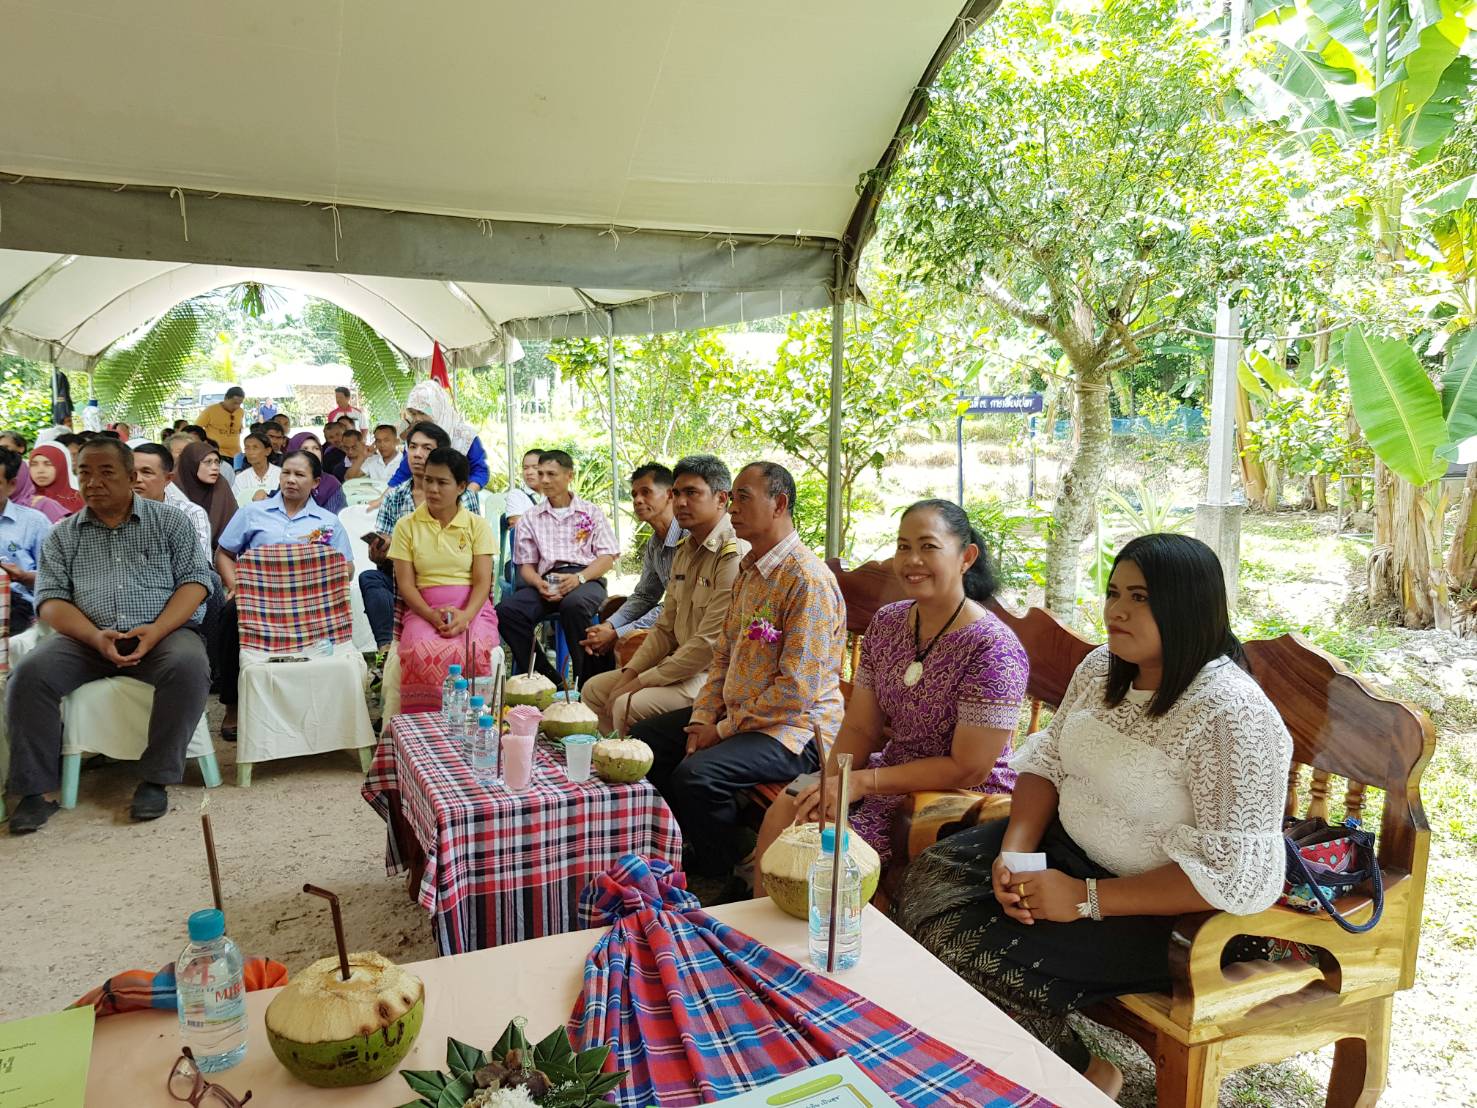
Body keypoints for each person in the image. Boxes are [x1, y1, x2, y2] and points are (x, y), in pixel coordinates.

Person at [896, 534, 1294, 1097]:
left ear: (1188, 605)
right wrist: (1019, 851)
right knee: (922, 887)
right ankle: (1000, 1059)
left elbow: (1234, 875)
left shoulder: (1232, 716)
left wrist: (1083, 899)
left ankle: (1082, 1074)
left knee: (966, 951)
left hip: (1165, 909)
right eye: (1113, 592)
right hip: (1066, 852)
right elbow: (1050, 760)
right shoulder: (1104, 667)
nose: (1116, 611)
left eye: (1139, 597)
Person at [754, 499, 1029, 883]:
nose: (912, 559)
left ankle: (821, 938)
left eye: (928, 546)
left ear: (966, 557)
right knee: (789, 811)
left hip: (958, 800)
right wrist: (831, 785)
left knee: (828, 858)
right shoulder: (888, 622)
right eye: (903, 546)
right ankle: (755, 939)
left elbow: (970, 766)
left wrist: (860, 782)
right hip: (889, 777)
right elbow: (861, 728)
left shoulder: (993, 648)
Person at [630, 462, 845, 881]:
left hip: (796, 732)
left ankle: (726, 869)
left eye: (743, 498)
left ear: (779, 504)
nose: (733, 510)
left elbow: (796, 692)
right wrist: (702, 718)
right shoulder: (751, 571)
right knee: (646, 743)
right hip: (741, 718)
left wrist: (721, 730)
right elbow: (723, 657)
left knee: (697, 776)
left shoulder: (807, 581)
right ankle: (696, 841)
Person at [5, 439, 214, 833]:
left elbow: (196, 583)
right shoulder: (62, 534)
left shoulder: (170, 522)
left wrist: (157, 630)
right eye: (85, 472)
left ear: (131, 477)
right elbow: (49, 601)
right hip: (87, 639)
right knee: (29, 675)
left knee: (189, 665)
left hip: (161, 632)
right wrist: (95, 636)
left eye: (106, 472)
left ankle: (156, 777)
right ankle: (35, 790)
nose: (93, 482)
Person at [582, 455, 744, 736]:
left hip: (714, 674)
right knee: (594, 689)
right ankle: (610, 765)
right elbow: (664, 627)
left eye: (691, 493)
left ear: (721, 499)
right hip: (681, 664)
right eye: (677, 493)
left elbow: (707, 645)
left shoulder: (732, 552)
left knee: (626, 702)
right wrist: (631, 673)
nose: (680, 502)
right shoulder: (685, 548)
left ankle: (633, 770)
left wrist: (639, 682)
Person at [213, 449, 355, 740]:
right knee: (229, 615)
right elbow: (224, 553)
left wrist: (328, 576)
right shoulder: (253, 512)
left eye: (300, 475)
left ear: (316, 482)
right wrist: (236, 586)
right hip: (258, 600)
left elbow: (347, 567)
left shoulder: (328, 522)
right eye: (286, 473)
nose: (291, 480)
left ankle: (323, 707)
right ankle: (233, 705)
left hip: (308, 602)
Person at [388, 447, 499, 712]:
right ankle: (423, 730)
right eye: (428, 480)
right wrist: (430, 614)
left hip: (473, 607)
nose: (432, 489)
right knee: (418, 652)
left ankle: (474, 724)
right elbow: (406, 584)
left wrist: (466, 616)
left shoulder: (477, 525)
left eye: (442, 482)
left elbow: (483, 582)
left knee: (474, 652)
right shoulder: (406, 525)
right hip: (422, 608)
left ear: (461, 486)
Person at [495, 449, 618, 686]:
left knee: (574, 605)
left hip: (586, 578)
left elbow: (607, 558)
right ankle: (549, 679)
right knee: (507, 611)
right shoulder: (530, 517)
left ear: (569, 475)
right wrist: (537, 582)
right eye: (541, 474)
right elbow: (526, 567)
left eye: (551, 474)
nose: (544, 480)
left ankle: (588, 684)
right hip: (547, 579)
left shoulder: (590, 512)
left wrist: (579, 579)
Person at [359, 421, 482, 650]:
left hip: (450, 576)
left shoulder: (462, 495)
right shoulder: (394, 496)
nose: (417, 454)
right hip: (402, 577)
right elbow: (382, 555)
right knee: (370, 578)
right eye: (412, 447)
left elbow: (472, 548)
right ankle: (387, 648)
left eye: (426, 448)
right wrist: (379, 552)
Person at [580, 464, 681, 662]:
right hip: (668, 621)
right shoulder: (654, 542)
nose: (637, 500)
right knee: (597, 641)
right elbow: (645, 595)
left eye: (646, 492)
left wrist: (619, 633)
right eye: (634, 495)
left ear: (670, 495)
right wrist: (609, 626)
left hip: (687, 630)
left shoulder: (688, 538)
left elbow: (677, 606)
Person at [385, 380, 489, 492]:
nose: (417, 419)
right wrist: (383, 500)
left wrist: (466, 497)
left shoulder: (465, 437)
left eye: (422, 413)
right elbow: (403, 473)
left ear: (437, 408)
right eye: (414, 414)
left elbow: (480, 471)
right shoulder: (416, 438)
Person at [0, 447, 50, 635]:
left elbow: (57, 578)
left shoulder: (35, 522)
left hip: (20, 614)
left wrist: (22, 575)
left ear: (12, 484)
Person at [132, 444, 212, 560]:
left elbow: (199, 567)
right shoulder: (117, 514)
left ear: (168, 479)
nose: (137, 479)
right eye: (132, 472)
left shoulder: (190, 513)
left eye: (147, 472)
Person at [175, 441, 237, 548]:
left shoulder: (221, 485)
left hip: (218, 555)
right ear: (192, 463)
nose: (215, 467)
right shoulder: (173, 488)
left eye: (217, 462)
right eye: (208, 462)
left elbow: (235, 528)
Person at [284, 433, 347, 513]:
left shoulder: (331, 484)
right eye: (305, 449)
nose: (311, 452)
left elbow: (332, 520)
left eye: (316, 448)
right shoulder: (285, 480)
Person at [27, 444, 84, 516]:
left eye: (48, 464)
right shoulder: (23, 500)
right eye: (34, 464)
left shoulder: (81, 499)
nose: (40, 470)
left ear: (60, 466)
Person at [234, 432, 281, 507]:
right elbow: (236, 504)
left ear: (267, 451)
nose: (250, 452)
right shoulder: (240, 478)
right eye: (247, 448)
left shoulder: (281, 474)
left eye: (255, 447)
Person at [197, 386, 246, 457]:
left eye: (240, 403)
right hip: (217, 453)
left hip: (236, 454)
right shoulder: (210, 410)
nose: (237, 406)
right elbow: (196, 429)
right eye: (234, 403)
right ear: (225, 398)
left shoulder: (240, 411)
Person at [504, 448, 543, 526]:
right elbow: (515, 523)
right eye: (525, 468)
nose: (529, 472)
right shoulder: (516, 495)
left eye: (535, 467)